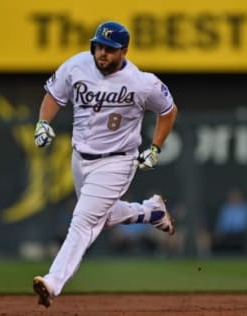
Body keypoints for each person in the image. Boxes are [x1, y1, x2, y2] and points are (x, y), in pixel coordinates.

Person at [31, 21, 178, 308]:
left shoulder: (141, 82)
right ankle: (151, 212)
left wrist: (155, 147)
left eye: (109, 49)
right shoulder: (77, 66)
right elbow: (54, 96)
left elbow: (168, 110)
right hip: (80, 157)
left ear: (123, 50)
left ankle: (52, 281)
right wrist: (42, 123)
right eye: (99, 46)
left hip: (117, 161)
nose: (102, 53)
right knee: (104, 218)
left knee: (83, 221)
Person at [212, 187, 247, 253]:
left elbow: (245, 223)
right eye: (233, 196)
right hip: (226, 234)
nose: (234, 198)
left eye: (236, 196)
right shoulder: (225, 208)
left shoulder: (245, 208)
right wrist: (218, 232)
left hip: (241, 234)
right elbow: (221, 223)